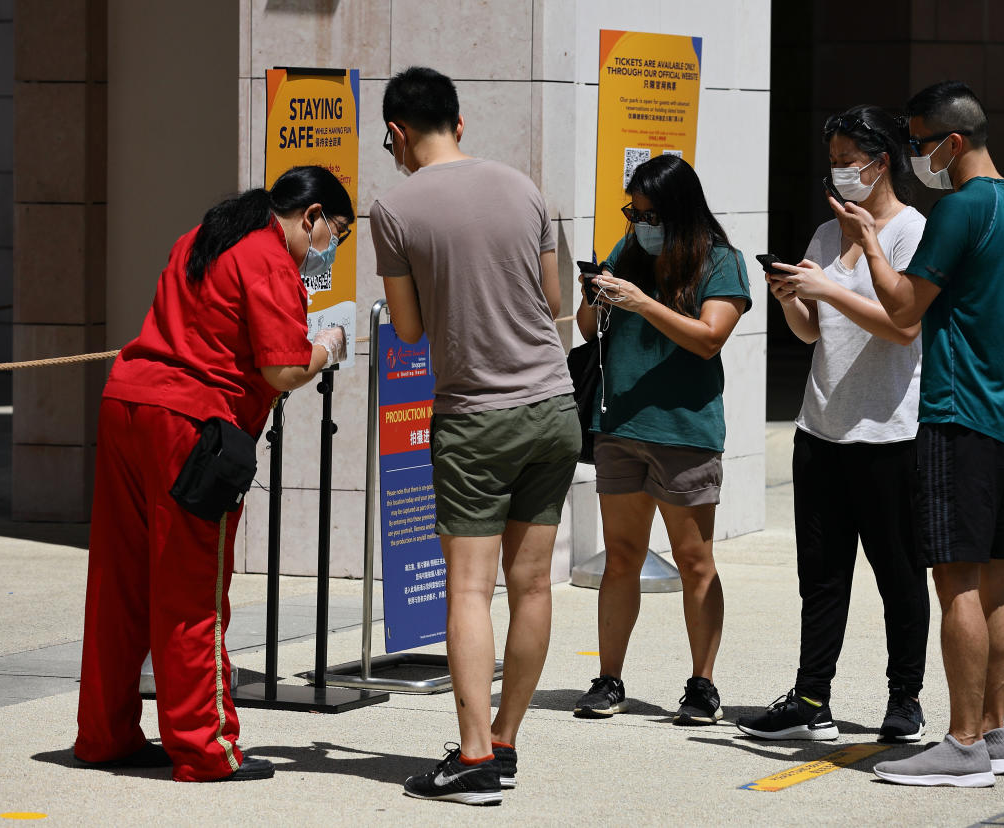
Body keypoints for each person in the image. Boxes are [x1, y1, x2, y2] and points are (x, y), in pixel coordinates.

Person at [75, 166, 352, 783]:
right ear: (309, 217)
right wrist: (329, 343)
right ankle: (205, 748)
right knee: (192, 588)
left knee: (119, 582)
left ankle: (104, 734)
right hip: (191, 428)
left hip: (128, 402)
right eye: (333, 233)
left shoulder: (203, 236)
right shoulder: (269, 257)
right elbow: (283, 367)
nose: (325, 250)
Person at [834, 82, 1004, 787]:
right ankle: (993, 734)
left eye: (920, 143)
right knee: (995, 578)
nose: (916, 157)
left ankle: (960, 745)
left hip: (958, 416)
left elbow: (903, 308)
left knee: (954, 577)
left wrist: (871, 246)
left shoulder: (960, 209)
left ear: (953, 143)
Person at [370, 66, 581, 806]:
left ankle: (472, 759)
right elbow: (556, 301)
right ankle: (506, 743)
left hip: (475, 413)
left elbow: (407, 328)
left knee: (468, 587)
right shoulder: (525, 188)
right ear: (458, 124)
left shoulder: (393, 211)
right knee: (531, 585)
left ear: (397, 132)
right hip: (554, 406)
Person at [735, 106, 931, 743]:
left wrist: (827, 291)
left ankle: (905, 698)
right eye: (833, 163)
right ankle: (811, 693)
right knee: (820, 575)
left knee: (898, 574)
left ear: (883, 162)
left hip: (888, 433)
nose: (841, 174)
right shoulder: (824, 235)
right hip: (820, 428)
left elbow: (900, 327)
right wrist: (793, 299)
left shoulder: (911, 232)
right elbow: (815, 334)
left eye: (852, 162)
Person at [571, 154, 751, 727]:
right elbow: (588, 328)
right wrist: (593, 295)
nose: (638, 223)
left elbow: (709, 339)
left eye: (648, 213)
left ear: (679, 212)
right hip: (619, 426)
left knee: (694, 560)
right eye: (633, 212)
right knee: (621, 558)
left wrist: (642, 303)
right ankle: (608, 678)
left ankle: (702, 685)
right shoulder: (630, 251)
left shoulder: (721, 263)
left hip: (683, 432)